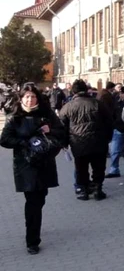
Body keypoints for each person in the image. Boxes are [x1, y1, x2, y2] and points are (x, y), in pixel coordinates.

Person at [1, 84, 66, 255]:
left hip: (44, 163)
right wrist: (24, 143)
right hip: (25, 165)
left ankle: (34, 224)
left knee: (41, 197)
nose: (30, 100)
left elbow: (62, 132)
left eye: (33, 96)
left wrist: (50, 129)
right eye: (27, 96)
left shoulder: (46, 114)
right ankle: (32, 241)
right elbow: (4, 139)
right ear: (21, 98)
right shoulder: (15, 117)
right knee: (32, 202)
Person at [60, 79, 113, 200]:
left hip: (78, 142)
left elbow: (62, 127)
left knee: (81, 168)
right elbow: (109, 122)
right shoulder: (98, 104)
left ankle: (82, 191)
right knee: (98, 167)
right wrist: (108, 138)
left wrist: (64, 143)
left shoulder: (67, 107)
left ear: (73, 92)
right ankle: (97, 189)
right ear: (87, 90)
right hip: (98, 141)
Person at [106, 86, 124, 178]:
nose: (120, 95)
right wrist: (114, 125)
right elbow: (112, 114)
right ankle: (114, 170)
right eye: (120, 93)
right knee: (114, 151)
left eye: (122, 93)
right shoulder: (117, 102)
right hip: (118, 129)